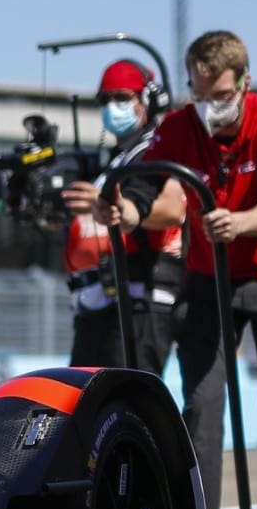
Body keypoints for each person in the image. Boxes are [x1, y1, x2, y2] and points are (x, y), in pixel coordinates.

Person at [106, 30, 257, 509]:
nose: (208, 108)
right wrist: (129, 212)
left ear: (245, 83)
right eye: (198, 95)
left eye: (219, 96)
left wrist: (243, 222)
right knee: (200, 410)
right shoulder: (180, 127)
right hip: (207, 278)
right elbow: (146, 184)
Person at [59, 60, 184, 371]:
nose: (111, 107)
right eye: (105, 100)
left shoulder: (157, 150)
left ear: (149, 100)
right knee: (84, 396)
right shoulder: (114, 160)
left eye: (122, 98)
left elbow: (174, 208)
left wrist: (113, 205)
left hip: (139, 298)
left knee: (128, 396)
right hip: (100, 299)